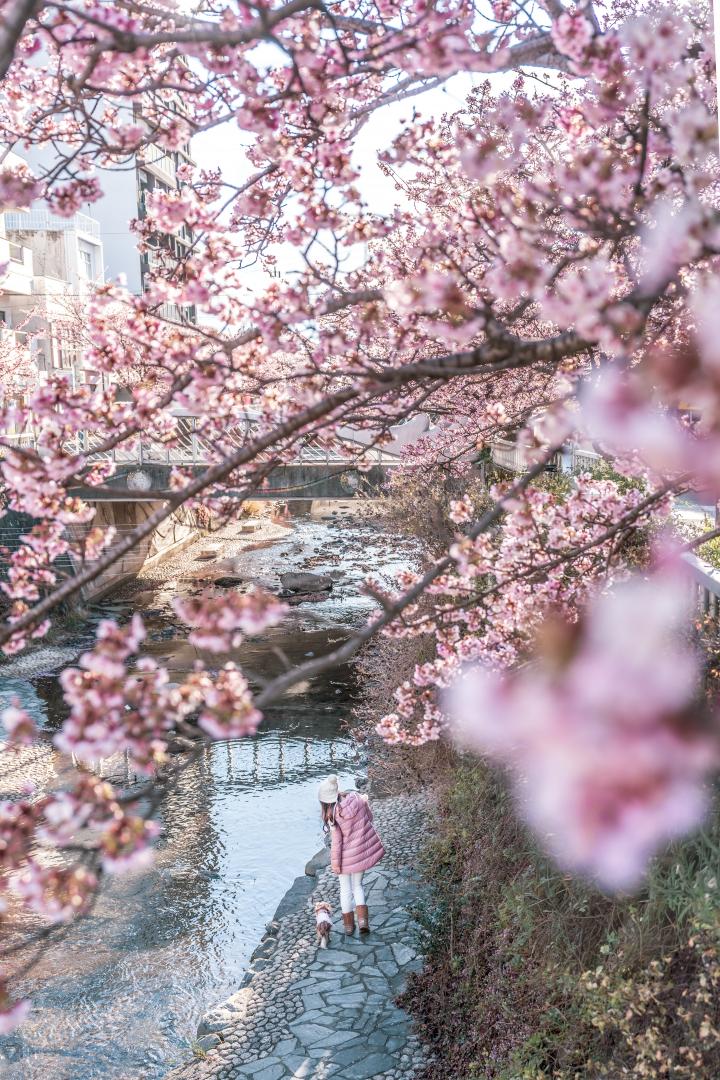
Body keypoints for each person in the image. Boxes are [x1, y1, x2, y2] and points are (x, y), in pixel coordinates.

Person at [318, 774, 385, 934]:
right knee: (358, 887)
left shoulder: (333, 816)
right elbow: (369, 817)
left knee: (345, 890)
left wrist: (336, 865)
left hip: (345, 859)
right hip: (360, 855)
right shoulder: (356, 798)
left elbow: (337, 844)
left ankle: (348, 927)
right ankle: (363, 923)